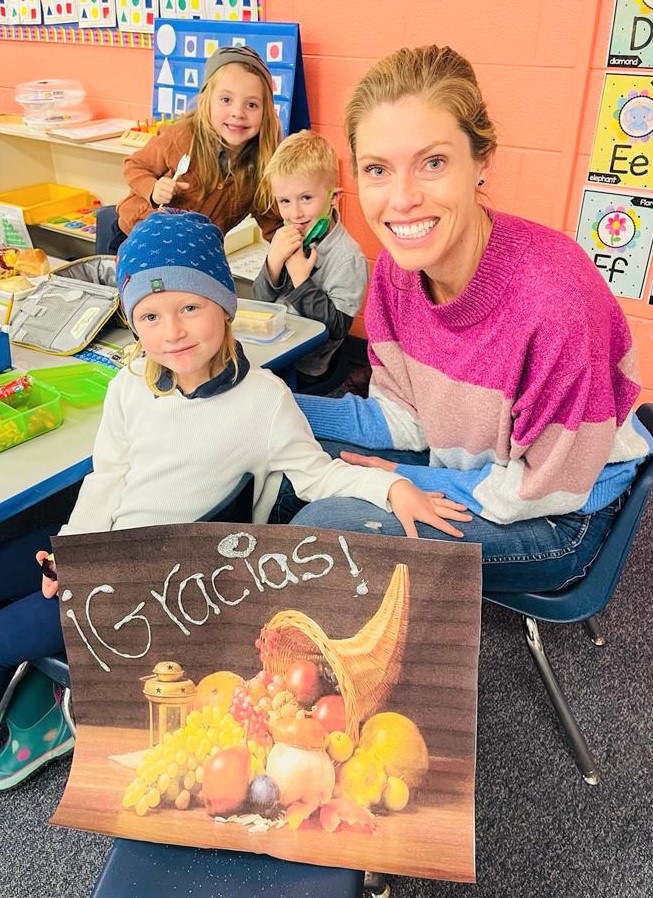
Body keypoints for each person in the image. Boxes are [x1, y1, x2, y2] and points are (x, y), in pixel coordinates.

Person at [0, 209, 470, 788]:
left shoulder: (263, 401)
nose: (171, 331)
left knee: (7, 635)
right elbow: (107, 479)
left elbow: (317, 476)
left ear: (224, 305)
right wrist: (71, 549)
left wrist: (393, 485)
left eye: (189, 307)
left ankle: (58, 708)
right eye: (149, 316)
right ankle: (50, 685)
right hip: (99, 554)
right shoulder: (129, 386)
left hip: (150, 588)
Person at [276, 44, 653, 594]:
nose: (401, 199)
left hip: (556, 511)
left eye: (433, 163)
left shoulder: (555, 300)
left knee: (327, 532)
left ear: (482, 161)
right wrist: (271, 404)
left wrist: (407, 479)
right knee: (278, 452)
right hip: (471, 465)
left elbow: (549, 488)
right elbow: (407, 417)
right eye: (378, 170)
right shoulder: (394, 273)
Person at [102, 45, 282, 254]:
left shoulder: (262, 164)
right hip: (137, 239)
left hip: (192, 254)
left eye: (251, 105)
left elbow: (272, 219)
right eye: (226, 100)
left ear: (266, 112)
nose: (238, 112)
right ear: (206, 100)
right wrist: (153, 189)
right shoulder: (183, 136)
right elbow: (135, 165)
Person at [252, 130, 368, 390]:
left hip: (306, 368)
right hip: (272, 348)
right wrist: (273, 262)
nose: (295, 214)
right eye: (284, 201)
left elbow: (336, 328)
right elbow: (261, 302)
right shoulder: (286, 237)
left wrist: (301, 280)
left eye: (306, 198)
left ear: (334, 198)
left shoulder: (348, 257)